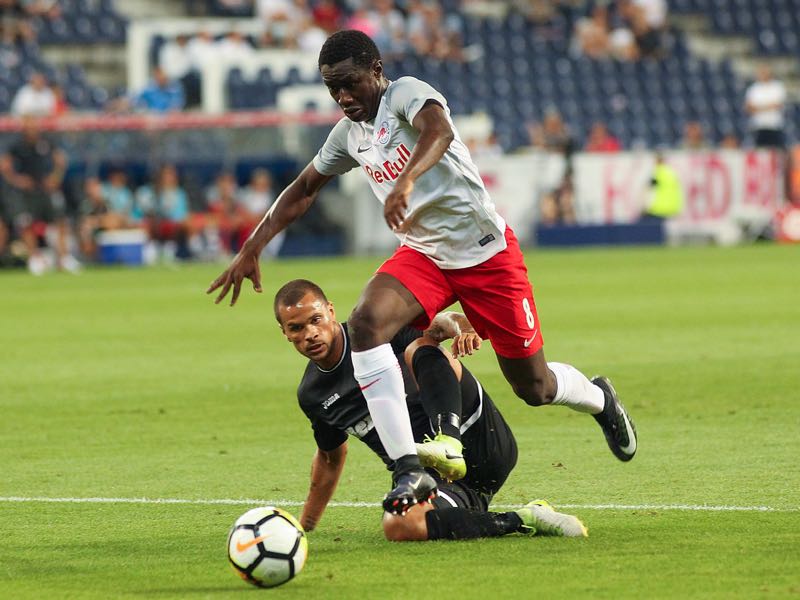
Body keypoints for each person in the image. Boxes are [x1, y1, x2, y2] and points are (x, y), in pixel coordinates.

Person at [208, 30, 638, 516]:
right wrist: (253, 246)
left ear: (376, 70)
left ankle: (600, 399)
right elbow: (305, 187)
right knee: (367, 322)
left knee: (534, 387)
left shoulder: (405, 94)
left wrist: (406, 180)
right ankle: (408, 464)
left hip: (485, 254)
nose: (343, 97)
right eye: (333, 89)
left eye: (350, 84)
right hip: (425, 256)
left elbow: (439, 131)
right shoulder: (350, 135)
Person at [275, 279, 588, 541]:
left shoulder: (374, 332)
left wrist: (461, 325)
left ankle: (447, 442)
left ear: (330, 311)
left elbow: (439, 324)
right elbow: (330, 457)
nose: (310, 334)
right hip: (434, 481)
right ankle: (522, 519)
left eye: (315, 320)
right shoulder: (314, 394)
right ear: (285, 334)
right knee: (399, 525)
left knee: (421, 346)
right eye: (296, 328)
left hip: (479, 438)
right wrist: (305, 525)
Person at [0, 115, 79, 274]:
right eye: (29, 125)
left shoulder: (46, 142)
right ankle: (34, 259)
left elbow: (60, 161)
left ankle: (64, 259)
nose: (32, 128)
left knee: (60, 221)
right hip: (26, 192)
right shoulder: (17, 145)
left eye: (34, 125)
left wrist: (55, 178)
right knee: (26, 224)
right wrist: (17, 180)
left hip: (45, 189)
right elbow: (5, 166)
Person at [745, 64, 786, 149]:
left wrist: (758, 108)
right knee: (760, 151)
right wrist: (768, 106)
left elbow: (778, 105)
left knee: (776, 150)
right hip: (759, 125)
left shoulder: (777, 86)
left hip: (774, 125)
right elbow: (749, 108)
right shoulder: (753, 88)